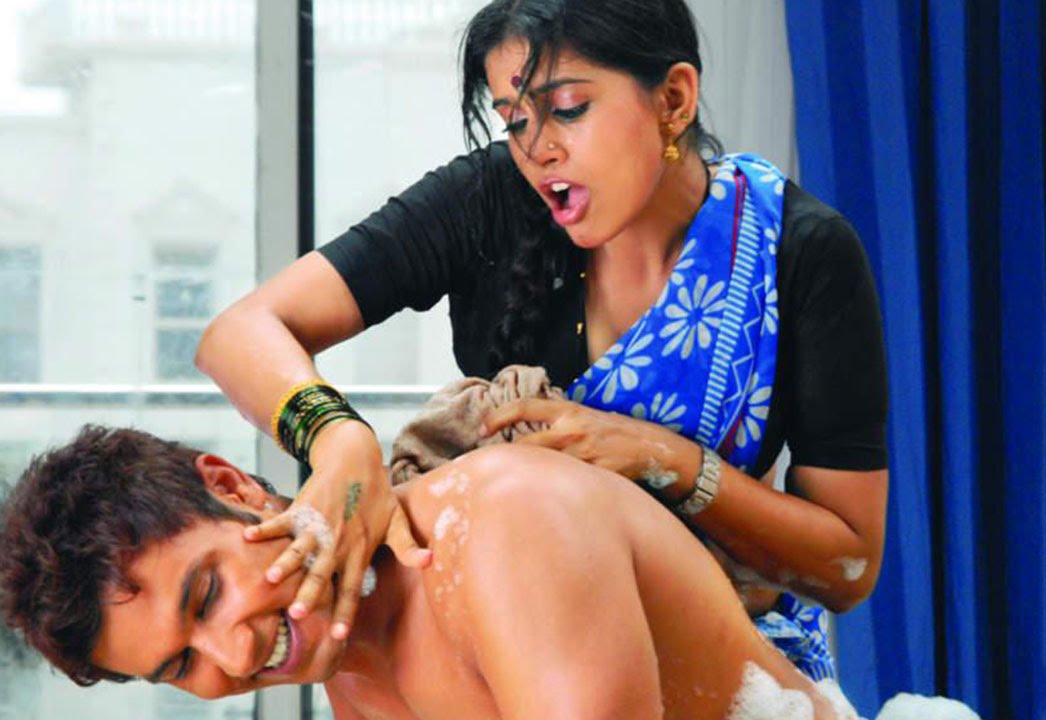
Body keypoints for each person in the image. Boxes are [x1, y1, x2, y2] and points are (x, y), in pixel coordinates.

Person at [195, 0, 888, 680]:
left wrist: (666, 461)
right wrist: (339, 441)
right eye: (515, 120)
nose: (536, 150)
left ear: (674, 100)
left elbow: (847, 566)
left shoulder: (794, 252)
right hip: (509, 644)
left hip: (723, 657)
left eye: (569, 109)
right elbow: (240, 333)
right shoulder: (488, 201)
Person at [0, 426, 858, 720]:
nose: (236, 653)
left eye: (208, 593)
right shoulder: (352, 677)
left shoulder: (504, 525)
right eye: (183, 664)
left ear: (235, 488)